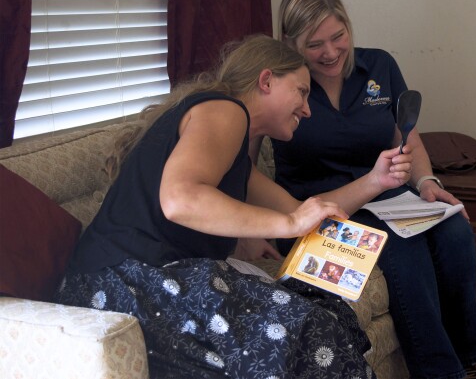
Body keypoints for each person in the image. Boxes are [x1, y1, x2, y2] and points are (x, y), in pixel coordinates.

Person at [55, 34, 412, 379]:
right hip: (127, 283)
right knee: (308, 333)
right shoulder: (225, 110)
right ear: (267, 80)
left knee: (326, 313)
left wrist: (376, 181)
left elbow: (302, 211)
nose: (307, 108)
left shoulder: (236, 153)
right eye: (301, 92)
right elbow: (180, 200)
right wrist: (287, 222)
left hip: (141, 280)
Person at [267, 0, 476, 379]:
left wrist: (426, 183)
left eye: (339, 36)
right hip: (324, 208)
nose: (331, 52)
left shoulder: (380, 66)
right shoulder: (283, 85)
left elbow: (408, 139)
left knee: (456, 230)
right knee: (403, 251)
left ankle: (468, 355)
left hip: (387, 193)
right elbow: (244, 157)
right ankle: (439, 372)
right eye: (315, 44)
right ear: (290, 42)